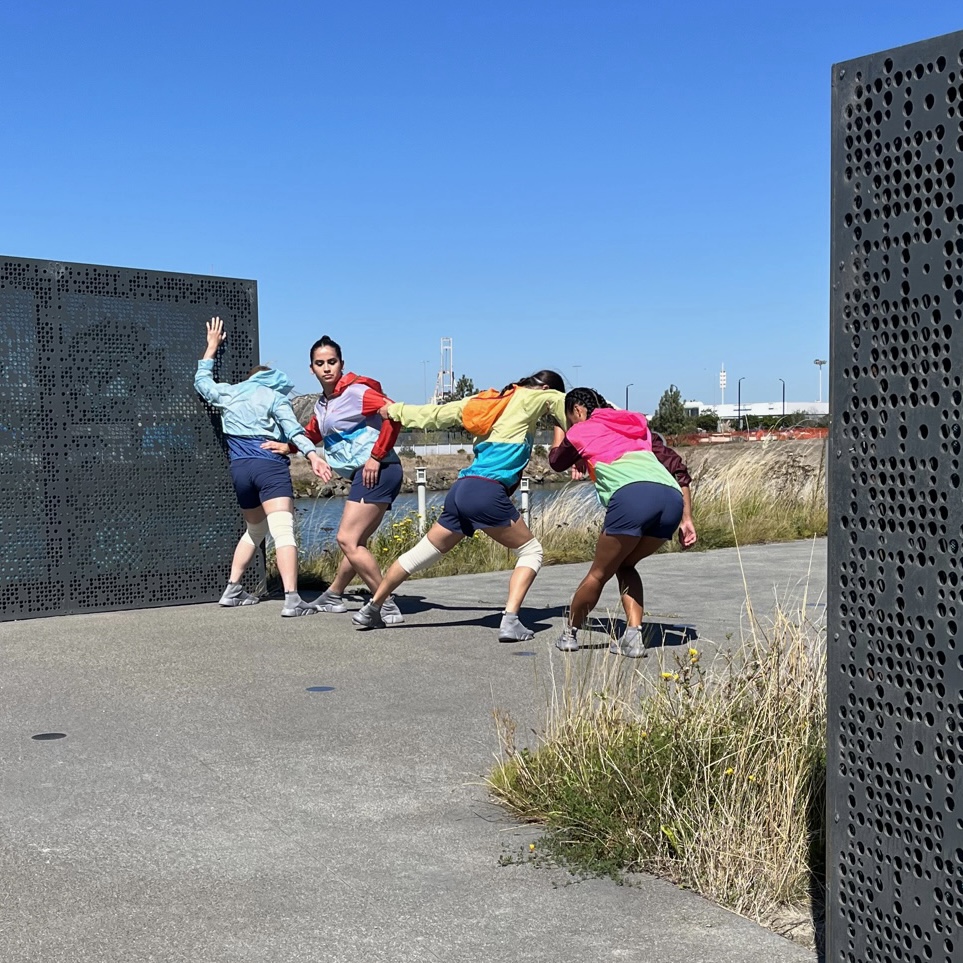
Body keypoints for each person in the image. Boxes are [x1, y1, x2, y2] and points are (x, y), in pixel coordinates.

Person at [351, 370, 567, 641]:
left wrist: (395, 410)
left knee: (421, 553)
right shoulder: (532, 398)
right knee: (531, 551)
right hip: (487, 491)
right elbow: (569, 406)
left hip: (462, 489)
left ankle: (373, 607)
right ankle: (510, 621)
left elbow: (435, 415)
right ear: (546, 388)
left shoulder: (486, 401)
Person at [264, 335, 406, 622]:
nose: (327, 368)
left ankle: (384, 602)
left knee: (346, 538)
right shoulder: (323, 404)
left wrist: (376, 456)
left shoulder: (358, 392)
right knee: (356, 541)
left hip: (380, 471)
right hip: (363, 475)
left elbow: (395, 415)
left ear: (342, 364)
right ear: (311, 369)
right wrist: (290, 447)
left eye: (332, 362)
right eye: (320, 363)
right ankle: (335, 594)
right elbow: (315, 432)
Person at [194, 316, 328, 617]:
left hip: (240, 468)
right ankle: (293, 600)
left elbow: (202, 383)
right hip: (269, 467)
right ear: (272, 379)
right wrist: (312, 455)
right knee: (283, 532)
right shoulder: (274, 397)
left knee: (255, 529)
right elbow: (294, 431)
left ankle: (232, 589)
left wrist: (211, 346)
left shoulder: (230, 392)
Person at [549, 387, 697, 657]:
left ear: (578, 411)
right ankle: (633, 638)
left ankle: (570, 634)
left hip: (632, 496)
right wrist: (687, 518)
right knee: (626, 564)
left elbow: (557, 461)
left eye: (571, 418)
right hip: (671, 499)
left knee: (598, 573)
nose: (572, 423)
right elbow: (676, 466)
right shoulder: (633, 423)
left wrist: (560, 428)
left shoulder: (581, 428)